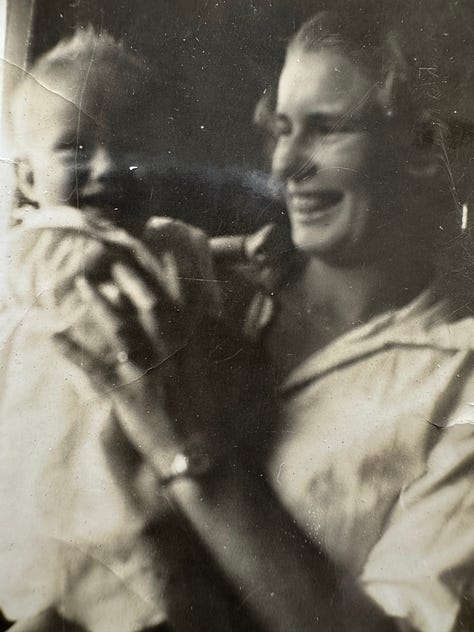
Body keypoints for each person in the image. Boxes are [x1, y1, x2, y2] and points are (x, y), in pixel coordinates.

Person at [6, 7, 474, 632]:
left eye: (326, 129)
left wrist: (188, 450)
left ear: (426, 151)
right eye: (281, 130)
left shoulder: (457, 383)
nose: (284, 164)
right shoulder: (205, 289)